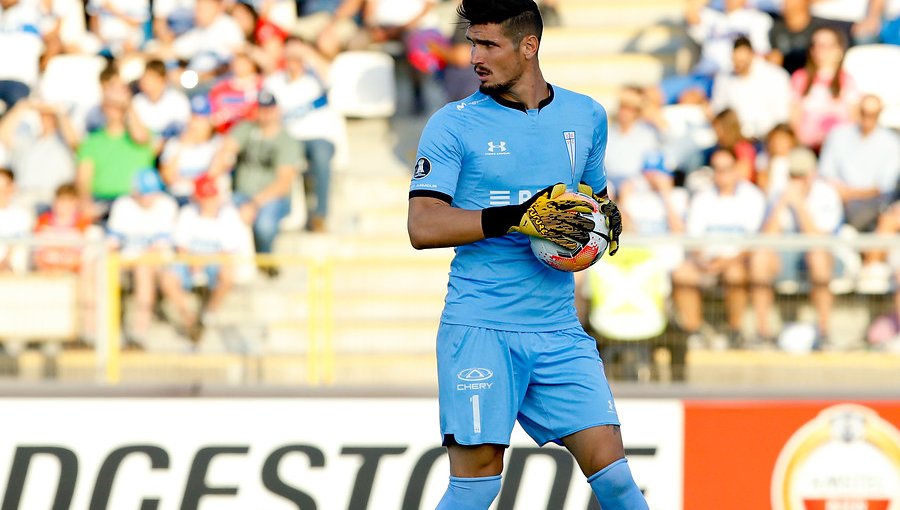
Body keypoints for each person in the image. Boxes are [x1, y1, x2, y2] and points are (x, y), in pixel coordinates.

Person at [406, 1, 645, 509]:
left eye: (488, 44)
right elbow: (422, 226)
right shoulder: (452, 125)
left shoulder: (586, 116)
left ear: (529, 46)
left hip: (558, 330)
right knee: (477, 487)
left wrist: (604, 219)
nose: (474, 57)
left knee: (617, 479)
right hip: (481, 326)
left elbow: (591, 202)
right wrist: (516, 216)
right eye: (473, 43)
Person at [672, 147, 766, 349]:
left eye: (726, 168)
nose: (721, 174)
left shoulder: (753, 196)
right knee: (682, 273)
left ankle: (735, 330)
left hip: (737, 260)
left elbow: (753, 241)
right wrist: (701, 260)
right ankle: (693, 331)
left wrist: (727, 261)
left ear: (736, 169)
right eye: (717, 168)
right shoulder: (702, 197)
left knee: (734, 274)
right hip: (706, 261)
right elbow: (693, 239)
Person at [750, 147, 843, 347]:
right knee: (759, 258)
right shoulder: (779, 194)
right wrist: (782, 203)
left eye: (801, 175)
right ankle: (762, 333)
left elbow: (819, 238)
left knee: (817, 256)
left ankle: (824, 332)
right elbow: (766, 237)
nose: (797, 179)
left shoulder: (826, 193)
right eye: (793, 175)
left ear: (812, 173)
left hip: (823, 256)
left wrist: (799, 205)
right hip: (787, 255)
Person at [208, 90, 300, 261]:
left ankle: (265, 262)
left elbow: (283, 183)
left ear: (277, 110)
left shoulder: (288, 141)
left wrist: (253, 204)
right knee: (216, 215)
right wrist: (217, 169)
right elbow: (226, 149)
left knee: (264, 225)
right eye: (262, 109)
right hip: (241, 195)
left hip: (271, 198)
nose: (265, 114)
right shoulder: (246, 129)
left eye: (269, 109)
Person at [264, 36, 341, 232]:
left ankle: (320, 216)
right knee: (280, 157)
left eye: (297, 57)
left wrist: (305, 51)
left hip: (317, 137)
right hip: (287, 139)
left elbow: (331, 76)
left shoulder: (316, 77)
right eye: (290, 57)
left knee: (321, 156)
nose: (293, 61)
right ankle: (284, 213)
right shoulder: (274, 81)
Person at [160, 174, 243, 342]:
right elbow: (181, 248)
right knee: (167, 279)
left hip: (212, 264)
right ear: (197, 197)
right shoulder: (188, 213)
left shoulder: (229, 214)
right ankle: (190, 318)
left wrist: (202, 262)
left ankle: (207, 314)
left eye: (211, 197)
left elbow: (228, 252)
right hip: (190, 264)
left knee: (228, 274)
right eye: (205, 197)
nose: (209, 202)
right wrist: (195, 264)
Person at [106, 169, 179, 349]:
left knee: (144, 268)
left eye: (152, 193)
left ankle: (140, 331)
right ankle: (93, 332)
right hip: (125, 261)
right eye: (145, 193)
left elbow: (158, 248)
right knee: (98, 266)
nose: (149, 198)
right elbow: (112, 244)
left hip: (155, 263)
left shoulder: (166, 205)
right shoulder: (123, 204)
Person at [0, 98, 79, 213]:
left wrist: (58, 111)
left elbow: (75, 143)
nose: (46, 118)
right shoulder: (27, 140)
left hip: (54, 201)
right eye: (43, 115)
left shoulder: (63, 141)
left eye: (50, 115)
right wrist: (22, 106)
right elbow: (3, 134)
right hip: (24, 198)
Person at [789, 25, 860, 150]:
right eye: (816, 45)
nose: (820, 50)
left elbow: (854, 118)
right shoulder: (799, 78)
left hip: (840, 146)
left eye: (826, 46)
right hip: (806, 146)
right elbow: (794, 117)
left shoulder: (848, 81)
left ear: (839, 50)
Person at [710, 36, 791, 142]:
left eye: (742, 61)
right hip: (735, 140)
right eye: (736, 61)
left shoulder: (775, 76)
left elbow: (781, 115)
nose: (739, 65)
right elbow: (719, 109)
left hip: (767, 139)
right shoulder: (724, 78)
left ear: (752, 55)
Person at [159, 94, 224, 206]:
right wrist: (182, 146)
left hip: (207, 200)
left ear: (210, 121)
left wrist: (185, 180)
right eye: (194, 117)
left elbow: (212, 176)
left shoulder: (219, 143)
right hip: (178, 198)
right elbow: (167, 177)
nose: (196, 123)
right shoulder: (175, 143)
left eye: (201, 119)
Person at [0, 168, 31, 274]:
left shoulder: (22, 215)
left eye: (4, 187)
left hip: (13, 272)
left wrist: (5, 263)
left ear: (12, 187)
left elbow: (19, 242)